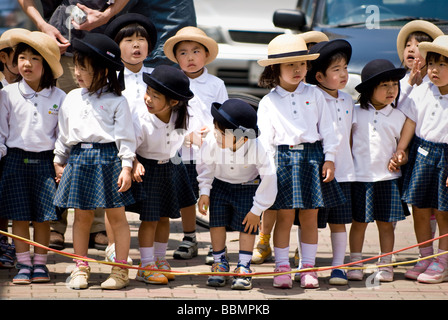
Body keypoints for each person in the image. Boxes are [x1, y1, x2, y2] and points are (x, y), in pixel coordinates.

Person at [256, 34, 344, 289]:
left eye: (302, 64)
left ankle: (308, 266)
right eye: (290, 64)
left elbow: (329, 129)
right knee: (283, 217)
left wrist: (329, 159)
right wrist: (267, 170)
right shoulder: (268, 101)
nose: (297, 69)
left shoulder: (315, 94)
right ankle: (282, 266)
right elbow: (265, 140)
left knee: (310, 216)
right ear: (275, 69)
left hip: (312, 159)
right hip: (282, 160)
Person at [53, 32, 136, 290]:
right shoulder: (72, 98)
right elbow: (64, 133)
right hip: (79, 159)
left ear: (103, 71)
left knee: (117, 217)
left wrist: (127, 166)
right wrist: (59, 159)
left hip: (109, 158)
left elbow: (126, 137)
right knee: (81, 217)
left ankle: (120, 268)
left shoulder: (117, 101)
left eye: (84, 68)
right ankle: (81, 266)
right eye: (76, 66)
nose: (77, 73)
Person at [0, 31, 65, 284]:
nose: (26, 64)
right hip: (15, 161)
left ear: (46, 64)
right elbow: (2, 132)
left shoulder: (59, 97)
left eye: (34, 58)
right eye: (22, 57)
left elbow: (62, 135)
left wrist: (59, 162)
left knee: (43, 217)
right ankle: (23, 264)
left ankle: (40, 264)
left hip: (45, 162)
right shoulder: (7, 94)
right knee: (19, 216)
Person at [196, 98, 277, 290]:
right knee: (216, 223)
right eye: (215, 130)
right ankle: (219, 262)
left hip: (248, 186)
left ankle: (243, 266)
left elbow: (269, 177)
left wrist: (257, 210)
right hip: (220, 185)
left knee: (247, 226)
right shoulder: (212, 140)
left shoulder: (258, 147)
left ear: (242, 137)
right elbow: (205, 166)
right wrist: (205, 191)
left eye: (221, 133)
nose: (216, 135)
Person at [163, 26, 228, 261]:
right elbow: (167, 118)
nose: (190, 58)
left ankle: (216, 243)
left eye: (195, 51)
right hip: (183, 151)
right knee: (187, 196)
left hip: (211, 151)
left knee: (212, 195)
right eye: (183, 53)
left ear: (206, 55)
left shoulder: (216, 84)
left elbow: (225, 116)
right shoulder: (172, 83)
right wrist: (185, 137)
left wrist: (213, 132)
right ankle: (189, 237)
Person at [132, 65, 198, 285]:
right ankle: (145, 264)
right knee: (149, 219)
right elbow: (128, 146)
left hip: (169, 167)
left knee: (164, 217)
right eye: (148, 92)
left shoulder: (182, 115)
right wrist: (134, 163)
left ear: (173, 102)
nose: (148, 99)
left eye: (155, 96)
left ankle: (160, 260)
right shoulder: (141, 118)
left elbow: (186, 137)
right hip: (147, 170)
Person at [103, 12, 157, 264]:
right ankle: (114, 248)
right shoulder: (108, 78)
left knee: (154, 207)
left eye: (141, 39)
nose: (136, 45)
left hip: (153, 150)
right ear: (116, 46)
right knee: (115, 201)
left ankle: (152, 255)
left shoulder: (158, 75)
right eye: (128, 40)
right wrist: (131, 157)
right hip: (119, 150)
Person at [348, 59, 408, 282]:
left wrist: (400, 158)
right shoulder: (354, 113)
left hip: (387, 178)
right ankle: (355, 263)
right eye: (384, 85)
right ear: (369, 89)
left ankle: (386, 263)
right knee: (359, 223)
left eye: (394, 84)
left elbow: (404, 150)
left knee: (386, 225)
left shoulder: (399, 117)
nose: (391, 89)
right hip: (360, 177)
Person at [398, 35, 448, 283]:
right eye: (432, 64)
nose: (434, 70)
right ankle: (425, 257)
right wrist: (402, 149)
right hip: (422, 154)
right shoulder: (423, 90)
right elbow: (411, 120)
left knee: (443, 212)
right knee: (419, 208)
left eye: (442, 65)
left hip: (446, 157)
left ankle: (443, 261)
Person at [306, 39, 355, 285]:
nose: (344, 74)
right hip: (318, 170)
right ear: (320, 77)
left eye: (345, 68)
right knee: (310, 220)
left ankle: (339, 266)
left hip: (344, 172)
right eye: (336, 70)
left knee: (339, 221)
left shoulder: (348, 101)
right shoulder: (312, 98)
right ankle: (308, 265)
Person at [0, 28, 31, 269]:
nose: (26, 63)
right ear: (4, 57)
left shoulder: (33, 87)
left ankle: (6, 244)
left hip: (18, 158)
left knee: (10, 205)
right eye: (20, 56)